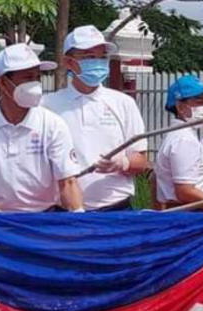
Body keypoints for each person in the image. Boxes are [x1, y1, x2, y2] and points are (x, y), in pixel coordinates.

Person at [0, 44, 84, 213]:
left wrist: (78, 216)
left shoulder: (52, 124)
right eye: (27, 78)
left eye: (37, 77)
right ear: (3, 82)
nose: (35, 84)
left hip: (42, 218)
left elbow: (68, 181)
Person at [43, 26, 149, 211]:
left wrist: (122, 164)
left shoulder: (123, 103)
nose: (98, 62)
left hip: (116, 209)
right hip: (64, 211)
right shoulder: (47, 105)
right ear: (68, 62)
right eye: (89, 57)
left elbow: (141, 161)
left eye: (102, 57)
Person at [154, 74, 203, 210]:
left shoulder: (179, 135)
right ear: (180, 107)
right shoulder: (184, 139)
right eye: (199, 102)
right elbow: (185, 191)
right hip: (191, 213)